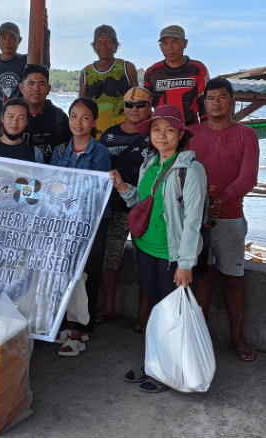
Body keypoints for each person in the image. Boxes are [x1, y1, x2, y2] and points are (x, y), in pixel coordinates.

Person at [111, 105, 207, 392]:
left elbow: (193, 220)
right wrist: (123, 188)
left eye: (169, 130)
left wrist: (186, 263)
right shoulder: (148, 165)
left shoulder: (190, 169)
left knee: (171, 315)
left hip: (171, 254)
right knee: (156, 309)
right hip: (145, 248)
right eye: (156, 129)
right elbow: (141, 204)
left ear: (180, 134)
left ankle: (170, 372)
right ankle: (155, 363)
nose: (162, 136)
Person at [188, 78, 260, 362]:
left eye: (221, 97)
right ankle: (200, 337)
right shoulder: (191, 134)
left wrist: (221, 201)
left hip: (230, 219)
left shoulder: (247, 135)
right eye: (210, 98)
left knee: (233, 279)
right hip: (197, 219)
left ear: (231, 102)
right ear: (203, 103)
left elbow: (248, 178)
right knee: (202, 278)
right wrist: (203, 204)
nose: (215, 103)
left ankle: (237, 337)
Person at [50, 97, 112, 356]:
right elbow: (53, 185)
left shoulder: (101, 153)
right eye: (74, 116)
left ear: (94, 122)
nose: (78, 122)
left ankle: (80, 330)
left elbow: (94, 192)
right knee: (64, 272)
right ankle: (66, 323)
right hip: (64, 221)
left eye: (85, 117)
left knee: (88, 275)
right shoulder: (60, 150)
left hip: (92, 222)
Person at [96, 87, 153, 332]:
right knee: (110, 260)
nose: (134, 109)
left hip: (144, 209)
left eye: (140, 105)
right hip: (114, 208)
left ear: (150, 106)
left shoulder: (156, 135)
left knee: (146, 262)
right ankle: (109, 307)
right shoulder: (108, 135)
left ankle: (143, 314)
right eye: (129, 105)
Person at [0, 21, 50, 143]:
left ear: (19, 40)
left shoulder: (26, 61)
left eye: (12, 38)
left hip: (18, 124)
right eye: (3, 38)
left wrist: (45, 33)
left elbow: (44, 66)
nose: (7, 42)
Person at [79, 25, 139, 140]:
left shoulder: (126, 68)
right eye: (100, 42)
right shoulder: (86, 72)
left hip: (124, 132)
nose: (103, 46)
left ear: (115, 46)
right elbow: (81, 107)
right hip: (96, 133)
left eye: (108, 42)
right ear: (94, 47)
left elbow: (138, 101)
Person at [144, 25, 209, 126]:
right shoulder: (152, 72)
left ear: (185, 43)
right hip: (161, 130)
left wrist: (206, 129)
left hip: (191, 130)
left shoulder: (197, 69)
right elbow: (144, 105)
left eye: (175, 42)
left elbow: (205, 102)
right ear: (161, 47)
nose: (169, 48)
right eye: (165, 43)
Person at [19, 64, 72, 164]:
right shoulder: (11, 115)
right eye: (31, 83)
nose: (36, 89)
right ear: (21, 87)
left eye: (41, 84)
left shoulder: (60, 119)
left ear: (48, 89)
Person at [0, 98, 43, 163]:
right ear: (2, 118)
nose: (15, 122)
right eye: (11, 116)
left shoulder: (35, 154)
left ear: (26, 122)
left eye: (21, 118)